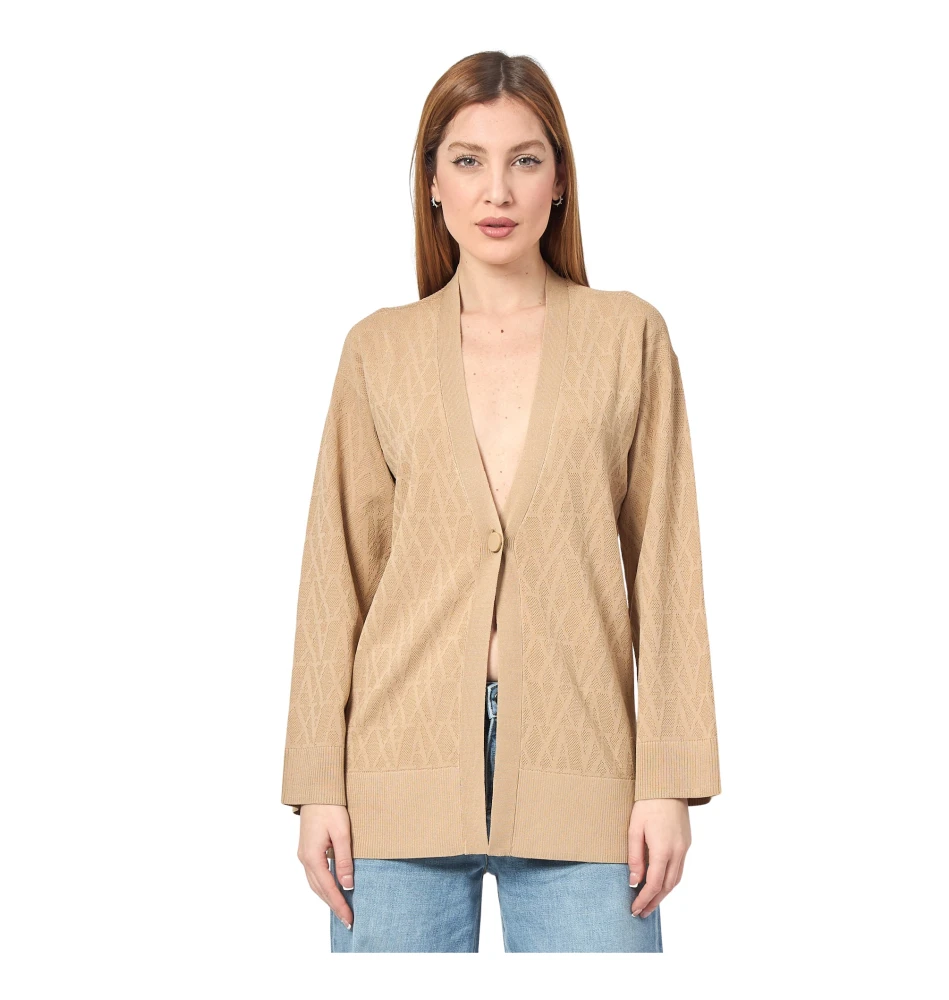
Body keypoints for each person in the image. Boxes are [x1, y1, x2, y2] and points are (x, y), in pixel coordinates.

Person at [280, 50, 722, 953]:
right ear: (432, 183)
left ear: (559, 180)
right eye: (468, 160)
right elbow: (337, 577)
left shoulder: (628, 337)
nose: (498, 190)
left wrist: (668, 780)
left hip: (586, 771)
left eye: (525, 159)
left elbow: (667, 569)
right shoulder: (378, 350)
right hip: (394, 779)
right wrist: (317, 783)